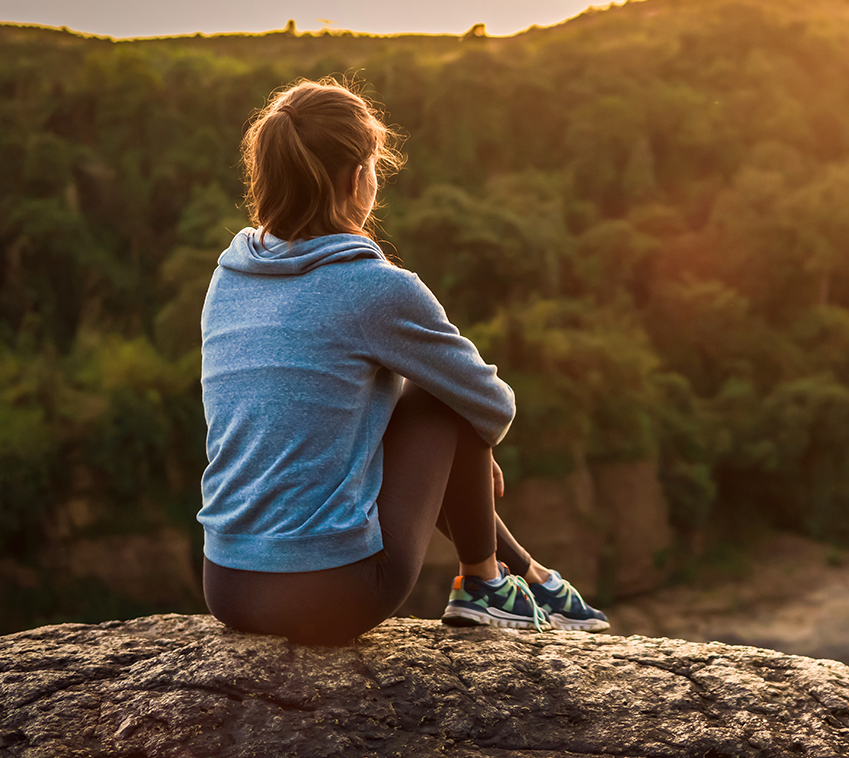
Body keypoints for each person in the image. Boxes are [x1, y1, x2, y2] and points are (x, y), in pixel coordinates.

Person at [197, 77, 608, 645]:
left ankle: (527, 574)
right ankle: (486, 584)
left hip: (228, 586)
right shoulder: (374, 288)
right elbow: (490, 400)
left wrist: (455, 458)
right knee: (442, 392)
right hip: (333, 595)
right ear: (357, 176)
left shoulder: (229, 276)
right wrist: (469, 441)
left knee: (417, 398)